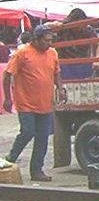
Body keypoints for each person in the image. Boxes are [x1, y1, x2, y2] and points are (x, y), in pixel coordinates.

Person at [3, 25, 64, 181]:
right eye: (46, 40)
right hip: (26, 103)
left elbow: (56, 72)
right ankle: (10, 158)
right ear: (36, 40)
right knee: (28, 132)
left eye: (51, 40)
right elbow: (7, 75)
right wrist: (8, 99)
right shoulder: (22, 53)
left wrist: (60, 88)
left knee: (43, 138)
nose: (49, 44)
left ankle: (36, 171)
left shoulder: (52, 53)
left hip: (45, 103)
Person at [46, 8, 99, 80]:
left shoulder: (88, 29)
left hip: (82, 64)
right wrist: (54, 24)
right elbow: (44, 27)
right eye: (78, 24)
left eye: (82, 24)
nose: (80, 27)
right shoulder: (63, 27)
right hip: (64, 65)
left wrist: (97, 59)